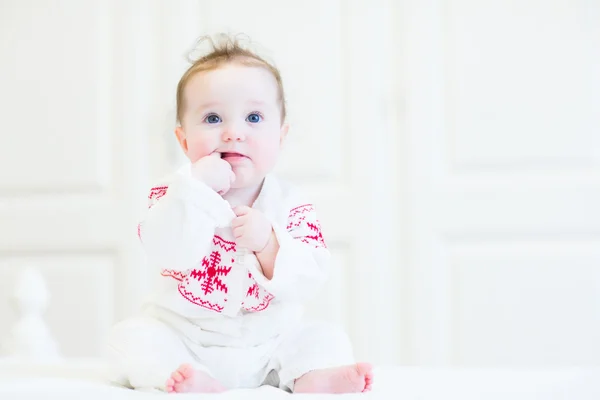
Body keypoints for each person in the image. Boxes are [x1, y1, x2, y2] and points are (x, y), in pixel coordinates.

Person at [106, 34, 373, 394]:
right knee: (129, 337)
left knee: (326, 336)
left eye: (253, 117)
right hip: (184, 335)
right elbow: (165, 248)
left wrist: (269, 244)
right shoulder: (173, 194)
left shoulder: (291, 205)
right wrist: (196, 191)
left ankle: (313, 375)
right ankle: (188, 379)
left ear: (280, 136)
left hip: (269, 340)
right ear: (184, 141)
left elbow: (309, 276)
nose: (233, 133)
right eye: (213, 118)